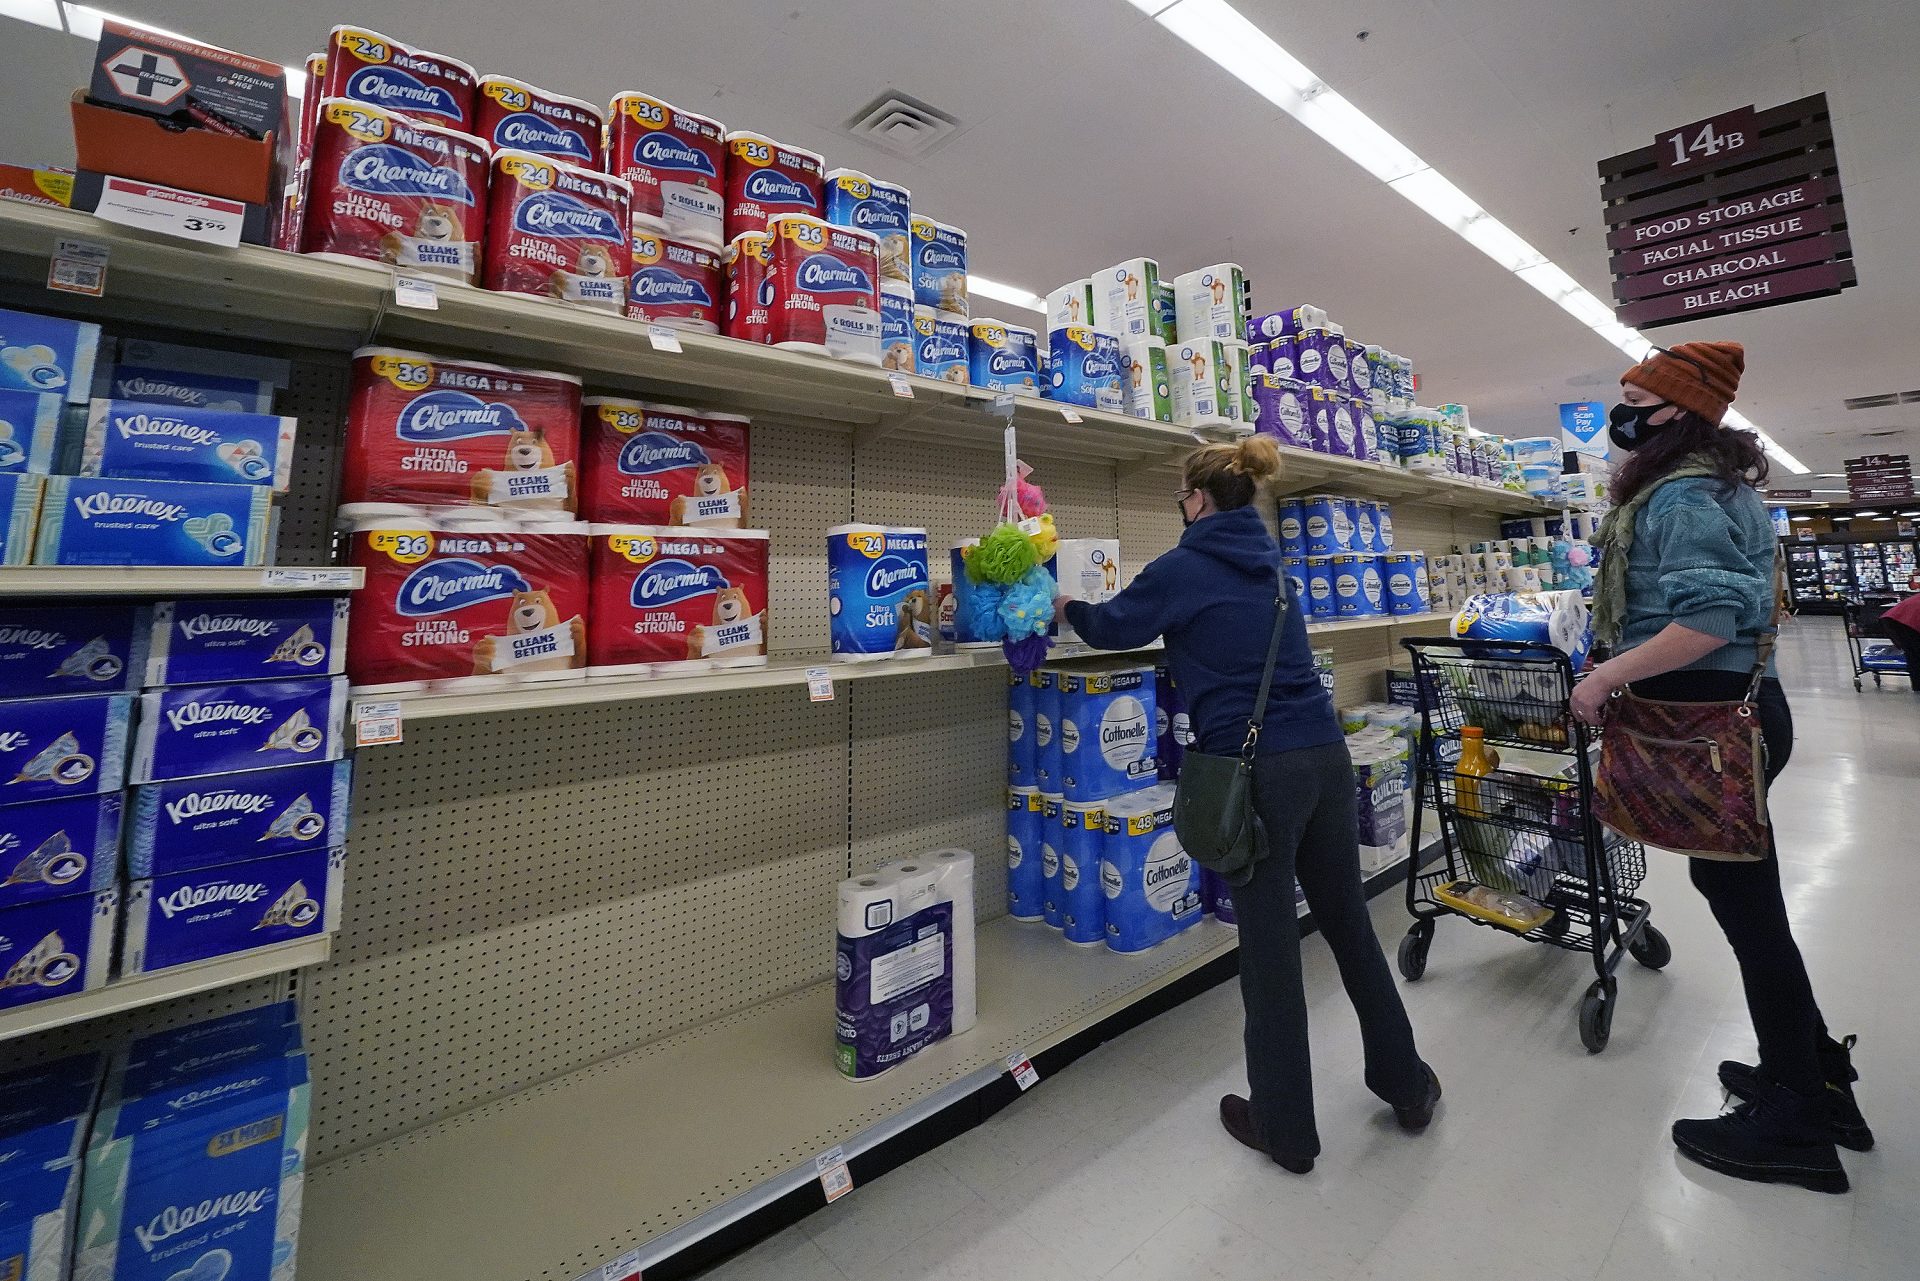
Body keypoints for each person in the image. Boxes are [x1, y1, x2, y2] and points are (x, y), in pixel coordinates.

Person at [1058, 435, 1440, 1173]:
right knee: (1349, 927)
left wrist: (1064, 599)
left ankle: (1286, 1128)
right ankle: (1407, 1084)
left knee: (1269, 955)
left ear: (1197, 499)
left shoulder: (1181, 568)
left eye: (1180, 495)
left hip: (1257, 769)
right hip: (1325, 758)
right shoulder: (1275, 567)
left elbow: (1112, 627)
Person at [1570, 341, 1870, 1195]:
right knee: (1740, 893)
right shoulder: (1712, 483)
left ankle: (1796, 1117)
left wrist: (1603, 677)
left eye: (1631, 398)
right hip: (1729, 715)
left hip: (1709, 722)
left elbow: (1705, 619)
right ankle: (1814, 1076)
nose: (1616, 414)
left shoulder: (1685, 495)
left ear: (1673, 412)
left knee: (1748, 904)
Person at [1879, 580, 1920, 689]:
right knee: (1915, 654)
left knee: (1913, 656)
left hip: (1896, 620)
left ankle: (1917, 686)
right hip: (1905, 622)